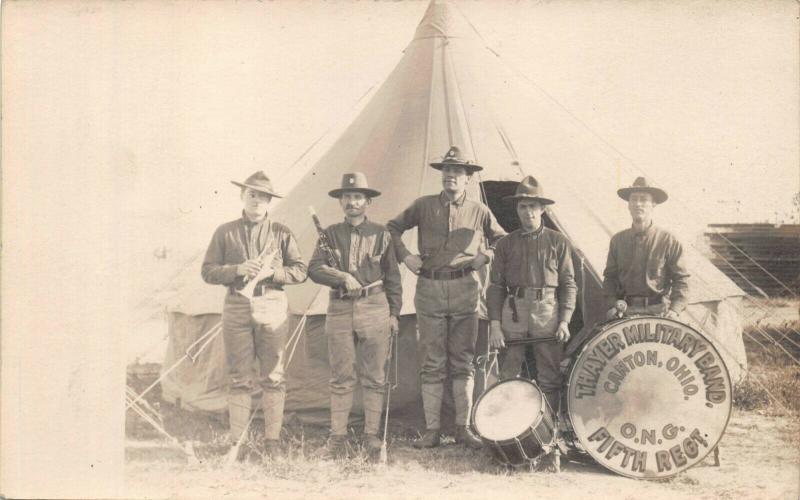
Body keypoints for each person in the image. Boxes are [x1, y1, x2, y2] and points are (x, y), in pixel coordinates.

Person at [387, 146, 506, 449]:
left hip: (466, 288)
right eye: (446, 171)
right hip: (429, 289)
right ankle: (432, 430)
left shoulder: (479, 210)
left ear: (468, 179)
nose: (450, 176)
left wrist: (487, 255)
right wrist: (405, 256)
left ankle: (463, 428)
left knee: (463, 361)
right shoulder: (423, 205)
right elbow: (392, 228)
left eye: (457, 172)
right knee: (432, 360)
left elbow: (502, 239)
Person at [201, 171, 307, 458]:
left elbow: (300, 270)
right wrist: (236, 270)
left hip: (272, 303)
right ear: (242, 196)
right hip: (236, 304)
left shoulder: (282, 232)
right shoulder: (225, 231)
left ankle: (272, 442)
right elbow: (207, 271)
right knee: (239, 376)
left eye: (263, 196)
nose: (257, 200)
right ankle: (239, 442)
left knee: (273, 374)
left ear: (270, 201)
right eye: (252, 194)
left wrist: (274, 272)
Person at [308, 172, 402, 458]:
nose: (352, 202)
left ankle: (371, 436)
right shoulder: (329, 234)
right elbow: (313, 268)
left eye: (358, 197)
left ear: (368, 201)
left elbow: (394, 278)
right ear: (341, 201)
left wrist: (395, 314)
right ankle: (337, 437)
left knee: (374, 375)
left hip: (375, 307)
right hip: (339, 308)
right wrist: (341, 276)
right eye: (347, 197)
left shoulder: (382, 235)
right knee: (341, 375)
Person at [486, 176, 576, 413]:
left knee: (549, 375)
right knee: (508, 372)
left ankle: (549, 428)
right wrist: (495, 324)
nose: (528, 213)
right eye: (523, 207)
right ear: (517, 210)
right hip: (514, 310)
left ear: (543, 209)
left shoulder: (558, 242)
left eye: (533, 207)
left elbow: (568, 284)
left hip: (546, 310)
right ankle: (507, 427)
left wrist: (565, 320)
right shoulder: (506, 244)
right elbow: (495, 286)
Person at [603, 176, 690, 320]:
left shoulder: (669, 240)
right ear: (628, 205)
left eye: (643, 199)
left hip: (659, 312)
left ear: (653, 204)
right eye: (634, 199)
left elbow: (681, 280)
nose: (638, 204)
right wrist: (612, 304)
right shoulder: (618, 241)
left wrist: (675, 310)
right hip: (624, 313)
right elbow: (609, 278)